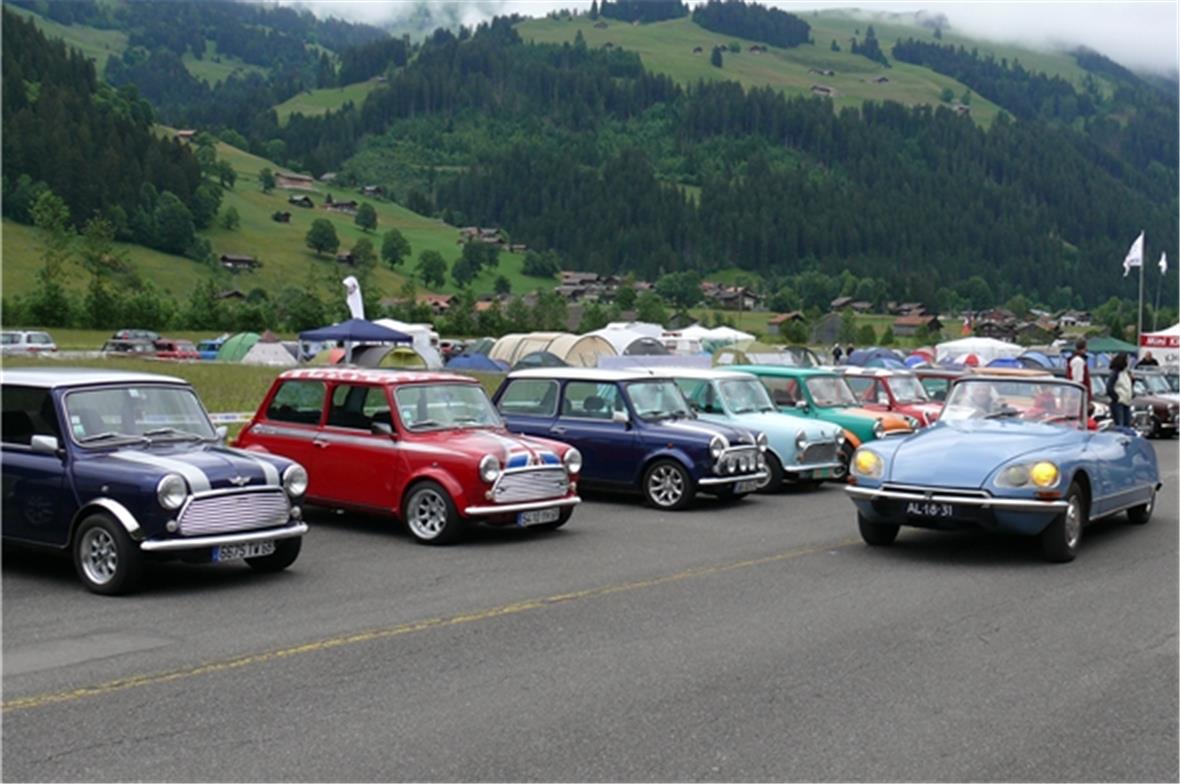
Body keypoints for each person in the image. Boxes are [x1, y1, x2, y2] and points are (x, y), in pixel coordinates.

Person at [1107, 352, 1133, 427]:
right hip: (1119, 403)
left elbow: (1128, 386)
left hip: (1126, 402)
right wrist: (1116, 397)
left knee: (1127, 425)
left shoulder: (1126, 373)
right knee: (1120, 425)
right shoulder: (1115, 373)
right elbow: (1109, 387)